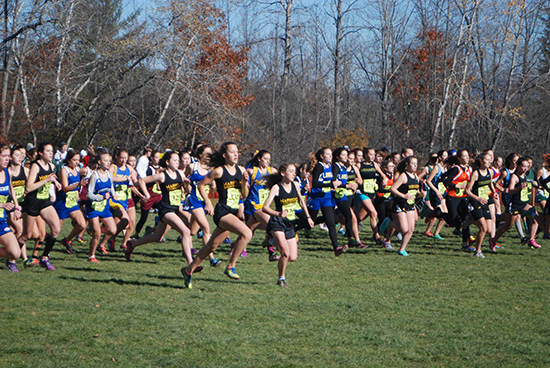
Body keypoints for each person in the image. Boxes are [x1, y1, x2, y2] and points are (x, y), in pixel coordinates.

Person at [181, 142, 252, 288]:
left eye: (237, 151)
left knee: (210, 247)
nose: (236, 154)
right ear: (225, 155)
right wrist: (207, 202)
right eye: (232, 152)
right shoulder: (219, 171)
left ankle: (188, 270)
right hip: (222, 212)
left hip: (233, 213)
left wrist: (245, 182)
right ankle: (231, 266)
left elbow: (244, 195)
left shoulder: (241, 170)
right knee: (247, 233)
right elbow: (201, 184)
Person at [125, 151, 196, 265]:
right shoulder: (162, 175)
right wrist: (146, 195)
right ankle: (191, 263)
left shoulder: (180, 174)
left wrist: (187, 184)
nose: (177, 162)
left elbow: (188, 191)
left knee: (156, 237)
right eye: (175, 160)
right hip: (166, 209)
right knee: (186, 231)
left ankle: (132, 245)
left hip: (176, 208)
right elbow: (142, 181)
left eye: (178, 160)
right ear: (167, 162)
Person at [262, 163, 315, 287]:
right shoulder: (276, 188)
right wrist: (278, 213)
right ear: (282, 173)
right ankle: (281, 278)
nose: (294, 174)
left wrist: (308, 217)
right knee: (285, 253)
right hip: (277, 222)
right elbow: (265, 207)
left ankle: (271, 242)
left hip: (290, 223)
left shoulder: (296, 185)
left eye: (294, 171)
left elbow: (301, 201)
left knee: (292, 257)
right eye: (291, 171)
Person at [18, 142, 62, 270]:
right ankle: (11, 258)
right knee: (27, 235)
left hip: (44, 202)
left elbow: (50, 177)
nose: (51, 153)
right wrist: (47, 180)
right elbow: (29, 187)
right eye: (48, 151)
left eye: (52, 151)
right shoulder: (35, 166)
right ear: (41, 153)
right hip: (32, 202)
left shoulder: (51, 166)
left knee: (56, 229)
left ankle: (45, 257)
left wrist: (55, 182)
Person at [490, 157, 546, 250]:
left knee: (535, 216)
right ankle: (493, 240)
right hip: (514, 205)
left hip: (524, 204)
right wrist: (519, 187)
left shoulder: (526, 176)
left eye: (527, 167)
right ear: (518, 166)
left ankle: (531, 239)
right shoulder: (515, 177)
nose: (525, 169)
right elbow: (510, 191)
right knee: (508, 226)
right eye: (523, 166)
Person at [182, 144, 221, 266]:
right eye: (207, 153)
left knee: (192, 231)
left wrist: (214, 186)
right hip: (193, 200)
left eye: (211, 154)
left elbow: (212, 184)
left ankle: (183, 238)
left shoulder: (211, 169)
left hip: (204, 201)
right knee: (206, 228)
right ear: (200, 154)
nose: (209, 156)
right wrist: (185, 186)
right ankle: (211, 258)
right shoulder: (192, 166)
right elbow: (184, 177)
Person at [307, 147, 345, 255]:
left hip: (326, 198)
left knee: (331, 223)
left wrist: (337, 184)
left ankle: (336, 248)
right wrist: (330, 184)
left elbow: (331, 181)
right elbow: (315, 183)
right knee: (310, 223)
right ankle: (293, 226)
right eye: (328, 154)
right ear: (322, 156)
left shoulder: (330, 167)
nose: (330, 156)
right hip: (316, 198)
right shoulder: (320, 166)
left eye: (331, 154)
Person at [243, 150, 279, 260]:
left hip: (264, 205)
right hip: (253, 203)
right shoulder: (251, 171)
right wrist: (244, 182)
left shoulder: (272, 171)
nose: (268, 161)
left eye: (269, 159)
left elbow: (278, 181)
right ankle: (272, 250)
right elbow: (244, 188)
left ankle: (237, 247)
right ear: (259, 159)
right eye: (265, 159)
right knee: (271, 225)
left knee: (249, 229)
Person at [85, 149, 119, 263]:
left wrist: (114, 195)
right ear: (99, 162)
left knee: (112, 230)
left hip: (104, 207)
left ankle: (92, 229)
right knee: (97, 235)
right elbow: (89, 194)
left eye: (109, 160)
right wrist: (101, 198)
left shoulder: (109, 174)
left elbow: (111, 187)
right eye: (105, 160)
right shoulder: (94, 175)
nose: (108, 162)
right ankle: (91, 256)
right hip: (94, 207)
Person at [54, 150, 89, 255]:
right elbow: (65, 188)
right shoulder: (64, 170)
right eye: (74, 160)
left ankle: (67, 240)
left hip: (72, 203)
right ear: (68, 160)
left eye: (78, 160)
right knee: (56, 231)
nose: (76, 162)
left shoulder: (78, 169)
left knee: (82, 225)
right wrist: (78, 184)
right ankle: (45, 250)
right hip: (62, 202)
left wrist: (77, 194)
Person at [386, 156, 420, 256]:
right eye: (413, 164)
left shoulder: (415, 176)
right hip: (400, 204)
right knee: (404, 229)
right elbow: (392, 189)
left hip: (410, 204)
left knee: (410, 230)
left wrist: (421, 194)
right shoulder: (403, 176)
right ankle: (388, 223)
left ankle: (401, 249)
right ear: (407, 165)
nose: (415, 166)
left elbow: (415, 191)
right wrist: (404, 196)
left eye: (416, 164)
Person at [465, 152, 497, 258]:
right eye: (487, 160)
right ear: (481, 161)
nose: (489, 162)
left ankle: (470, 220)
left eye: (490, 160)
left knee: (489, 230)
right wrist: (477, 198)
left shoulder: (490, 171)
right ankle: (478, 251)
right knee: (483, 228)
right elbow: (467, 190)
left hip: (485, 202)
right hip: (475, 202)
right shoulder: (476, 173)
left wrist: (494, 191)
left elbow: (490, 182)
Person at [0, 144, 23, 270]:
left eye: (8, 156)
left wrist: (16, 207)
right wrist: (2, 205)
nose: (7, 159)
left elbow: (10, 189)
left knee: (15, 253)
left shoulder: (6, 172)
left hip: (1, 221)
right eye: (4, 156)